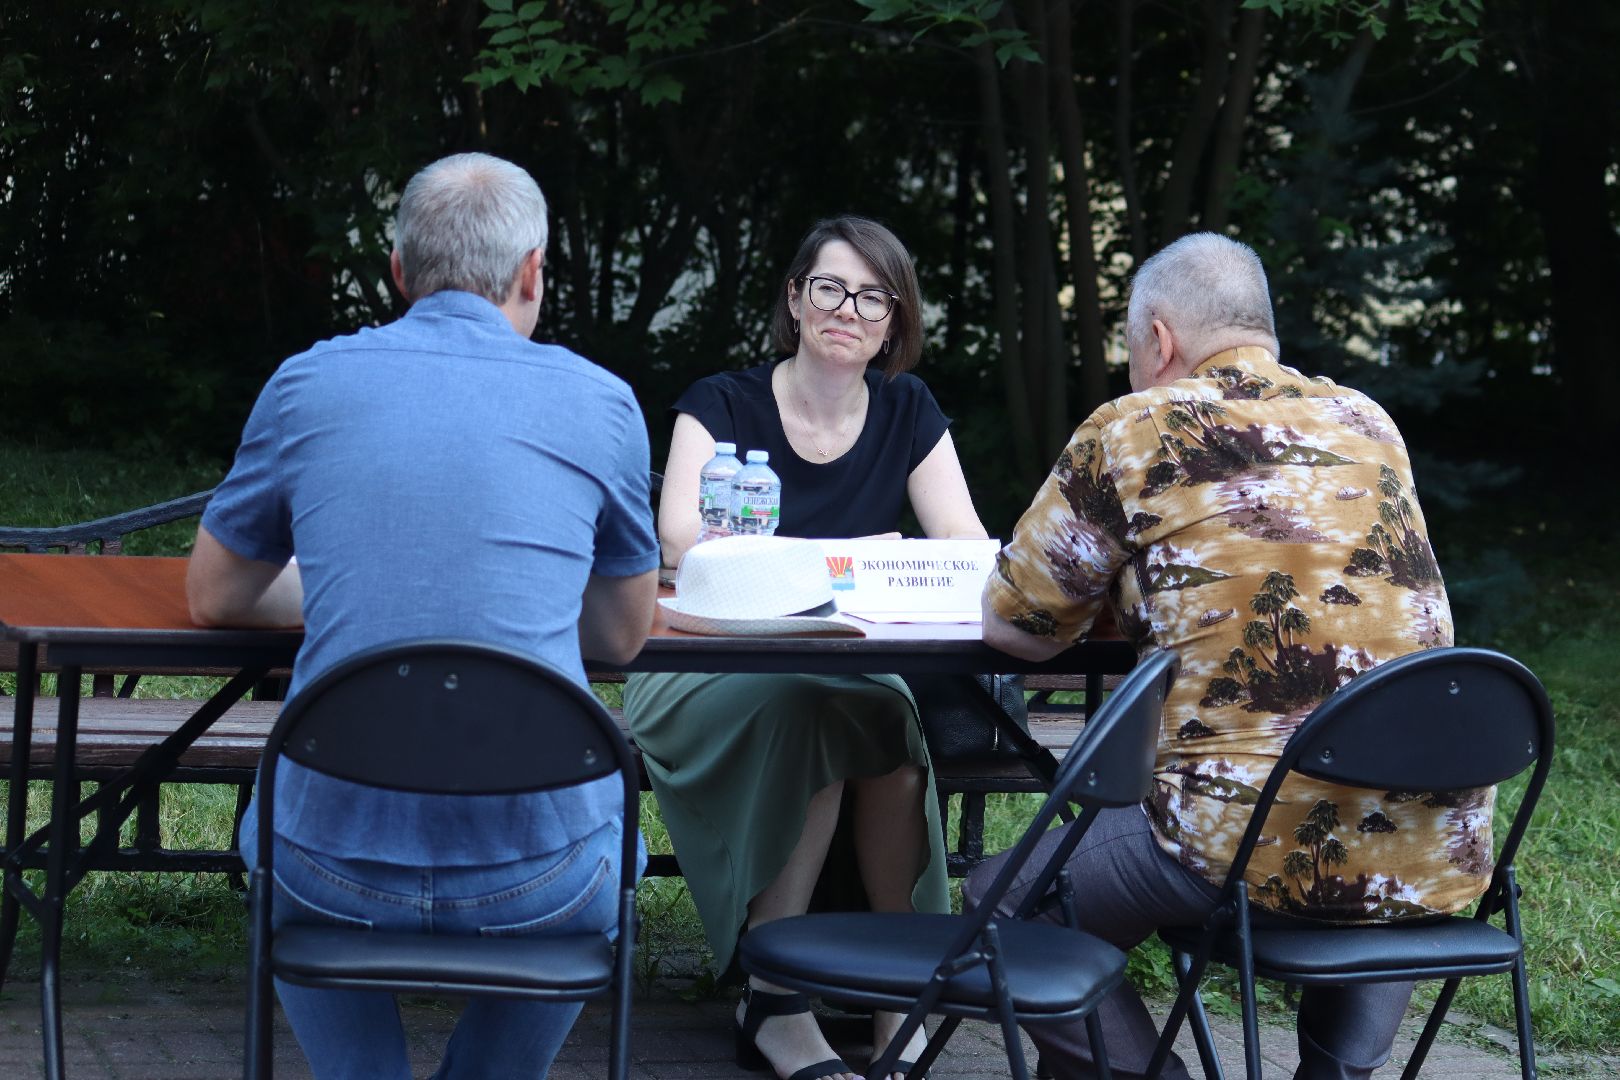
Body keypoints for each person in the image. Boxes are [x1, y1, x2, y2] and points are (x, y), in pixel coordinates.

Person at [185, 152, 660, 1079]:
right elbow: (619, 636)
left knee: (277, 834)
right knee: (613, 850)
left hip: (330, 865)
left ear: (398, 273)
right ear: (533, 272)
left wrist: (346, 590)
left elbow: (216, 595)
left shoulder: (307, 385)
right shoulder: (603, 403)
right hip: (545, 877)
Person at [972, 232, 1485, 1080]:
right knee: (1369, 831)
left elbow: (1017, 626)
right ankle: (1339, 1073)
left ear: (1160, 341)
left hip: (1243, 837)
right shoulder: (1369, 421)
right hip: (1432, 843)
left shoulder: (1137, 427)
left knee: (998, 902)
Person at [625, 215, 987, 1080]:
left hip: (855, 667)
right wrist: (842, 563)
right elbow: (680, 539)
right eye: (830, 287)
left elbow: (967, 547)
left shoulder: (909, 409)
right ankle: (777, 1003)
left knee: (888, 738)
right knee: (824, 717)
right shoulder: (721, 401)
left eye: (873, 297)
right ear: (795, 298)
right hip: (707, 663)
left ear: (894, 322)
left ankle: (897, 995)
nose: (848, 310)